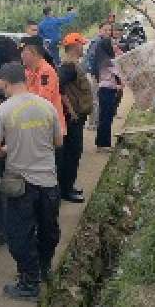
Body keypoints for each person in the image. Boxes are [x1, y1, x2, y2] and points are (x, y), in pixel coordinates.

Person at [0, 62, 63, 300]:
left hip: (21, 184)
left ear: (6, 83)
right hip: (49, 181)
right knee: (48, 229)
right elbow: (58, 142)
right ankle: (44, 269)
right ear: (26, 79)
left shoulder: (3, 110)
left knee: (20, 234)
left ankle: (29, 284)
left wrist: (11, 148)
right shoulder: (47, 105)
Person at [56, 33, 93, 203]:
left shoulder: (73, 66)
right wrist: (70, 109)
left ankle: (68, 186)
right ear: (75, 46)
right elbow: (57, 86)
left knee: (73, 153)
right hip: (72, 119)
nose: (83, 47)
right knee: (72, 153)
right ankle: (66, 190)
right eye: (81, 45)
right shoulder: (68, 67)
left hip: (76, 117)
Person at [91, 30, 121, 151]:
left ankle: (101, 143)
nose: (114, 47)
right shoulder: (108, 61)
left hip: (106, 90)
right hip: (107, 91)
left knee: (105, 117)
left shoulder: (103, 59)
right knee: (106, 118)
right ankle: (103, 145)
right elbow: (118, 72)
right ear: (107, 47)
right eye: (112, 45)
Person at [85, 22, 112, 131]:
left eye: (109, 30)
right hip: (97, 75)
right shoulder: (97, 42)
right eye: (105, 30)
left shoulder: (106, 41)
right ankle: (92, 124)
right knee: (95, 99)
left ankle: (96, 122)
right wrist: (94, 74)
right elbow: (91, 59)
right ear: (100, 30)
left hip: (103, 75)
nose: (108, 32)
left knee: (98, 99)